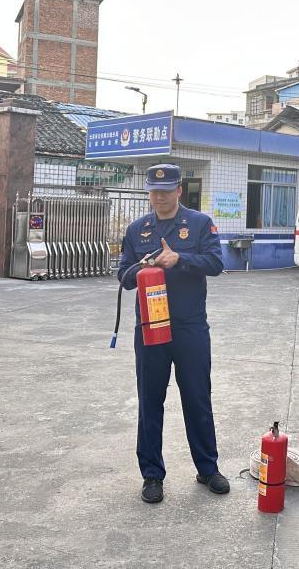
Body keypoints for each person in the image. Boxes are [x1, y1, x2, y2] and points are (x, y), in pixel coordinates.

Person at [117, 163, 229, 504]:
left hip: (189, 327)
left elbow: (216, 263)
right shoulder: (137, 229)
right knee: (150, 400)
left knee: (197, 397)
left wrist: (179, 258)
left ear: (179, 190)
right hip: (150, 328)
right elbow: (123, 276)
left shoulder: (199, 223)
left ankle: (207, 468)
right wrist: (141, 268)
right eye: (154, 191)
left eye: (166, 191)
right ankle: (152, 475)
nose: (160, 197)